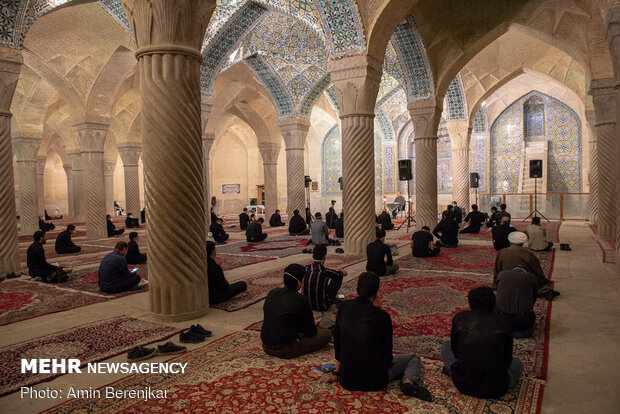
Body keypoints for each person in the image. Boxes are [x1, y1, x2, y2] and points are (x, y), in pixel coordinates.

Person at [321, 272, 432, 401]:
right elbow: (387, 354)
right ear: (376, 293)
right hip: (376, 380)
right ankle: (408, 383)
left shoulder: (344, 308)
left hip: (347, 379)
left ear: (357, 289)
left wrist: (337, 372)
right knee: (413, 358)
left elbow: (338, 344)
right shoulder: (382, 316)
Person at [441, 286, 523, 399]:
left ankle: (453, 372)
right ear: (494, 303)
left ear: (470, 303)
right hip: (497, 388)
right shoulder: (504, 322)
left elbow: (455, 351)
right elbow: (507, 361)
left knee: (445, 345)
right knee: (518, 363)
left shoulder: (460, 318)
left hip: (463, 383)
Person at [260, 263, 332, 359]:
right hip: (284, 349)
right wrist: (312, 324)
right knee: (327, 334)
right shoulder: (300, 299)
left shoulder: (272, 293)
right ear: (299, 283)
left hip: (265, 345)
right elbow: (310, 332)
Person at [494, 232, 559, 300]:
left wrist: (496, 286)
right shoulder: (528, 254)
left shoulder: (501, 253)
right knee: (542, 283)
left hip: (505, 283)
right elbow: (537, 271)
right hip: (524, 283)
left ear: (510, 242)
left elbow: (497, 270)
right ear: (523, 243)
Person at [495, 268, 538, 338]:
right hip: (521, 323)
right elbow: (533, 299)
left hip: (501, 321)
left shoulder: (501, 274)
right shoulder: (531, 278)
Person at [303, 245, 347, 312]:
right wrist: (340, 270)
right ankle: (332, 299)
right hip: (322, 306)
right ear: (324, 256)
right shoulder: (324, 271)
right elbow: (344, 273)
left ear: (313, 256)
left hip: (306, 305)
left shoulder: (306, 268)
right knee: (338, 276)